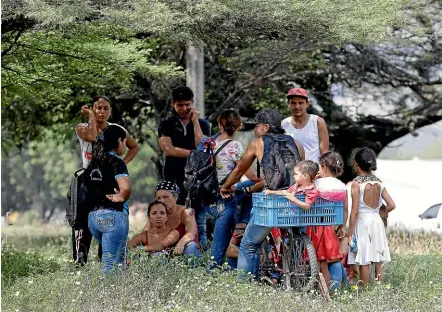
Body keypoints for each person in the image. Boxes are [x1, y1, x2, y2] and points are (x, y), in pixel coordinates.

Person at [220, 108, 305, 278]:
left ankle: (243, 286)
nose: (254, 130)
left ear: (265, 127)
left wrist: (226, 186)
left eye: (256, 126)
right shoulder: (297, 144)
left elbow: (239, 170)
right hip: (296, 202)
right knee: (295, 238)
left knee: (248, 245)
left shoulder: (258, 143)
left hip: (272, 204)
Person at [193, 109, 263, 268]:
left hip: (205, 197)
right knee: (218, 251)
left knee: (219, 248)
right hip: (225, 199)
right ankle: (243, 224)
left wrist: (195, 121)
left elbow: (198, 138)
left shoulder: (207, 142)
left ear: (219, 124)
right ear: (239, 126)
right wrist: (263, 179)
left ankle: (241, 224)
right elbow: (252, 176)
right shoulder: (235, 146)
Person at [74, 96, 139, 265]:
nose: (101, 111)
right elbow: (93, 137)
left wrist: (120, 164)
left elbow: (134, 146)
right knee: (83, 220)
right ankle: (80, 260)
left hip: (108, 181)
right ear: (92, 109)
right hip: (90, 178)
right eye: (97, 108)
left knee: (109, 215)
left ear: (110, 111)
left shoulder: (116, 130)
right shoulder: (82, 127)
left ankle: (106, 258)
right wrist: (90, 117)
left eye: (105, 108)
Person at [158, 86, 211, 249]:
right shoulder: (166, 123)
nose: (184, 109)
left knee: (200, 225)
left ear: (192, 103)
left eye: (187, 104)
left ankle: (200, 260)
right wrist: (195, 154)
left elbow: (203, 148)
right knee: (173, 221)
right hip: (174, 180)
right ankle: (173, 257)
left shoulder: (203, 124)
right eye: (180, 105)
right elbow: (168, 149)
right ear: (173, 104)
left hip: (198, 182)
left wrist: (195, 122)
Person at [84, 125, 131, 273]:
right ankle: (108, 294)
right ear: (119, 140)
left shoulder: (93, 163)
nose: (125, 146)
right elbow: (126, 188)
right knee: (111, 263)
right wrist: (121, 196)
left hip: (93, 218)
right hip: (113, 216)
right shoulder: (117, 162)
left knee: (116, 259)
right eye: (125, 142)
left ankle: (118, 292)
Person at [347, 147, 396, 286]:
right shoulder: (380, 183)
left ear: (356, 164)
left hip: (363, 223)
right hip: (377, 222)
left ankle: (365, 287)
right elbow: (392, 205)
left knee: (364, 258)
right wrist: (382, 212)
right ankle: (379, 287)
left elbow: (355, 211)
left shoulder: (357, 184)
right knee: (378, 257)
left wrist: (350, 234)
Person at [312, 152, 349, 290]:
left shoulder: (317, 184)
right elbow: (345, 209)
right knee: (333, 257)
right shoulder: (341, 185)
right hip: (333, 226)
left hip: (317, 226)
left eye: (319, 167)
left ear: (324, 168)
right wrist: (342, 226)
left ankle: (324, 290)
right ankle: (338, 287)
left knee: (321, 261)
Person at [143, 181, 199, 256]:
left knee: (191, 246)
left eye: (165, 197)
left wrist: (181, 243)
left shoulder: (187, 212)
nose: (162, 201)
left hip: (184, 250)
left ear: (175, 197)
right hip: (165, 253)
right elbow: (145, 237)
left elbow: (191, 233)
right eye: (158, 198)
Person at [281, 88, 329, 163]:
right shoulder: (284, 124)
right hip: (292, 171)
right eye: (293, 103)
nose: (297, 106)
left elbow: (325, 153)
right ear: (288, 104)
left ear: (307, 104)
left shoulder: (317, 122)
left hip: (315, 171)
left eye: (301, 103)